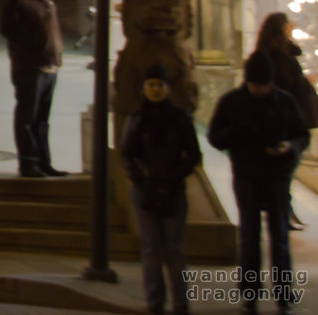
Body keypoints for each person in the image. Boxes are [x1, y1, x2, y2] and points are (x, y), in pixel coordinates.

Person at [208, 51, 310, 315]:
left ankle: (283, 294)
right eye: (255, 85)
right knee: (249, 238)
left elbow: (301, 134)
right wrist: (238, 134)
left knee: (279, 239)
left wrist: (289, 147)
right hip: (247, 176)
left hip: (277, 177)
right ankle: (249, 295)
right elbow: (215, 136)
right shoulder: (232, 102)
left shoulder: (284, 102)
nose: (259, 90)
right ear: (247, 81)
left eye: (264, 85)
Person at [122, 64, 202, 315]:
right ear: (143, 89)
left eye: (160, 85)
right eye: (151, 85)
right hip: (145, 189)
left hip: (173, 189)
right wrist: (139, 177)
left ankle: (181, 304)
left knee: (174, 248)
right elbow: (127, 154)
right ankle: (155, 302)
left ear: (167, 88)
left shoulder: (179, 118)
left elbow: (193, 154)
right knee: (151, 248)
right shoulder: (136, 119)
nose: (155, 90)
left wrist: (176, 175)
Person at [0, 0, 67, 178]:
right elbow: (9, 30)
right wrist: (33, 45)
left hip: (50, 66)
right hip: (29, 67)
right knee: (27, 117)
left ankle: (44, 162)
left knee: (42, 120)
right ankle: (28, 163)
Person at [255, 12, 318, 231]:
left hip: (294, 118)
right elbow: (285, 85)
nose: (292, 25)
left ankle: (285, 210)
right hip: (288, 119)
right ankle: (283, 210)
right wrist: (305, 81)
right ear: (280, 28)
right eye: (287, 23)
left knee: (288, 167)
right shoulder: (276, 55)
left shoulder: (282, 51)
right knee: (286, 168)